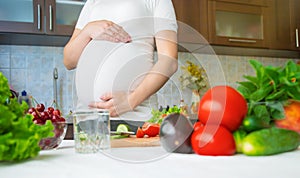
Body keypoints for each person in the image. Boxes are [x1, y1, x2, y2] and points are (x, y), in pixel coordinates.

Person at [63, 0, 178, 121]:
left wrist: (130, 101)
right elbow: (69, 61)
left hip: (134, 118)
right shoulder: (93, 2)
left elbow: (169, 61)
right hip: (87, 120)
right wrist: (87, 31)